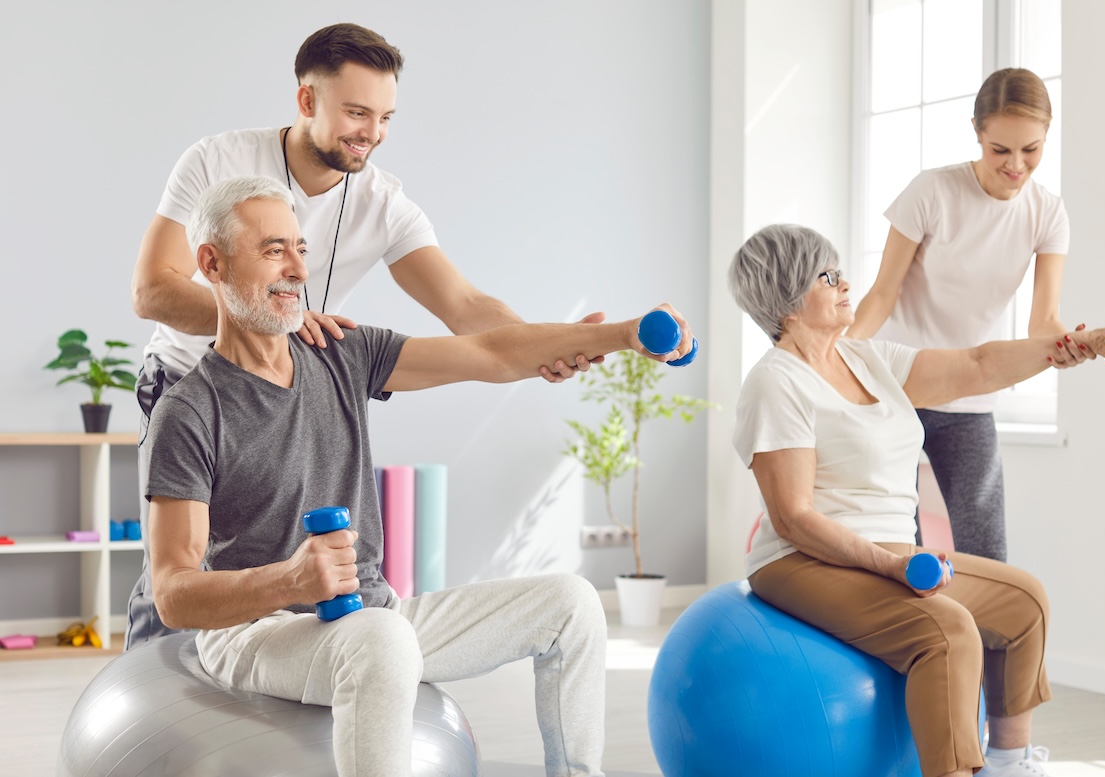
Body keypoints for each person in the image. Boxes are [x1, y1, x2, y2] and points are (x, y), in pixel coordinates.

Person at [146, 175, 693, 777]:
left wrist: (622, 335)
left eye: (300, 248)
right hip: (255, 633)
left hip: (374, 616)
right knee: (382, 640)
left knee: (573, 604)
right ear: (212, 264)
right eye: (274, 250)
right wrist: (289, 580)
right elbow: (172, 592)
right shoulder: (190, 410)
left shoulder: (341, 353)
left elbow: (491, 352)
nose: (298, 269)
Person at [127, 22, 602, 648]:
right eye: (356, 112)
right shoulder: (218, 161)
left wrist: (545, 346)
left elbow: (466, 307)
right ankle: (151, 681)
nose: (372, 133)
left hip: (293, 386)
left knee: (296, 568)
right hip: (190, 381)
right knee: (176, 578)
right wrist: (287, 318)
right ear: (307, 100)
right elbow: (153, 290)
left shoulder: (384, 203)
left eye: (385, 117)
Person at [728, 224, 1105, 777]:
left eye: (839, 271)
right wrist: (890, 565)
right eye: (826, 276)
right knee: (948, 630)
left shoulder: (868, 360)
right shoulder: (776, 383)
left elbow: (978, 365)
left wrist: (1075, 348)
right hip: (803, 560)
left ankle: (1008, 764)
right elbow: (794, 518)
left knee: (1024, 604)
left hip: (891, 551)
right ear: (787, 301)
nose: (845, 284)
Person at [845, 67, 1078, 562]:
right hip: (895, 390)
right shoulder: (932, 191)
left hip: (969, 399)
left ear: (1046, 135)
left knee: (988, 554)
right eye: (1000, 149)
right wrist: (838, 354)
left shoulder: (1048, 213)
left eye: (1031, 149)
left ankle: (983, 624)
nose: (1016, 164)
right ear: (977, 131)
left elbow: (1043, 323)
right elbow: (882, 294)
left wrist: (1076, 345)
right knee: (899, 551)